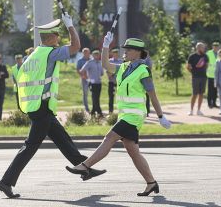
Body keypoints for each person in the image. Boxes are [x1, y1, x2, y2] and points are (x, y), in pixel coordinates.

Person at [0, 15, 105, 199]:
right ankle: (6, 182)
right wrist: (71, 26)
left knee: (62, 138)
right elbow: (75, 46)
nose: (59, 37)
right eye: (57, 34)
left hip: (38, 106)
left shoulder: (34, 55)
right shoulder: (49, 53)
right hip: (41, 107)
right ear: (51, 37)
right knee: (30, 146)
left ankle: (84, 168)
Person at [66, 33, 172, 196]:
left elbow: (152, 94)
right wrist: (105, 46)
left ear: (137, 52)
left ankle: (85, 166)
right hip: (125, 115)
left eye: (128, 49)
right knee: (134, 153)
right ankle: (151, 183)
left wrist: (160, 116)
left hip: (134, 116)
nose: (125, 52)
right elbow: (105, 64)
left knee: (109, 137)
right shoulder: (123, 67)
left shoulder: (144, 70)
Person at [80, 48, 104, 117]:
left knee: (97, 98)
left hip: (99, 83)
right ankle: (99, 112)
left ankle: (93, 112)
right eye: (95, 54)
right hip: (92, 83)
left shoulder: (100, 63)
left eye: (98, 54)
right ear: (92, 55)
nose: (97, 55)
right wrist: (86, 78)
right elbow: (82, 70)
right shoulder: (89, 62)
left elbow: (102, 73)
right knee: (94, 98)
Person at [187, 42, 208, 116]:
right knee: (194, 94)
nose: (203, 49)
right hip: (195, 77)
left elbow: (207, 65)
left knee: (201, 94)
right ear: (198, 48)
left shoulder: (205, 56)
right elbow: (188, 67)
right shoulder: (192, 56)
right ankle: (191, 110)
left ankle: (199, 110)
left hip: (203, 77)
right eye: (202, 47)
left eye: (203, 48)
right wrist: (193, 73)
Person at [107, 47, 123, 114]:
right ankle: (111, 112)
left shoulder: (121, 61)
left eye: (117, 53)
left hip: (119, 82)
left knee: (121, 97)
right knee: (111, 97)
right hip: (111, 81)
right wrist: (115, 71)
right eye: (114, 53)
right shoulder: (110, 61)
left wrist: (113, 71)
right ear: (112, 54)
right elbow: (108, 72)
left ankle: (121, 111)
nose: (116, 54)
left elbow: (122, 71)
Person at [77, 47, 91, 112]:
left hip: (92, 80)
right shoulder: (80, 61)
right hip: (84, 80)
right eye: (85, 53)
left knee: (93, 94)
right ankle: (86, 108)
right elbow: (78, 70)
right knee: (85, 94)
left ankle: (95, 107)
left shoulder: (91, 60)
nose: (86, 54)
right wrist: (83, 76)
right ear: (83, 53)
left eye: (87, 53)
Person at [206, 41, 220, 108]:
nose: (216, 47)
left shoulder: (220, 54)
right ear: (212, 46)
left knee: (215, 90)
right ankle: (209, 103)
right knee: (210, 90)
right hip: (210, 74)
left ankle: (214, 103)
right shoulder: (208, 53)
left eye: (217, 46)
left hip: (217, 75)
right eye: (214, 46)